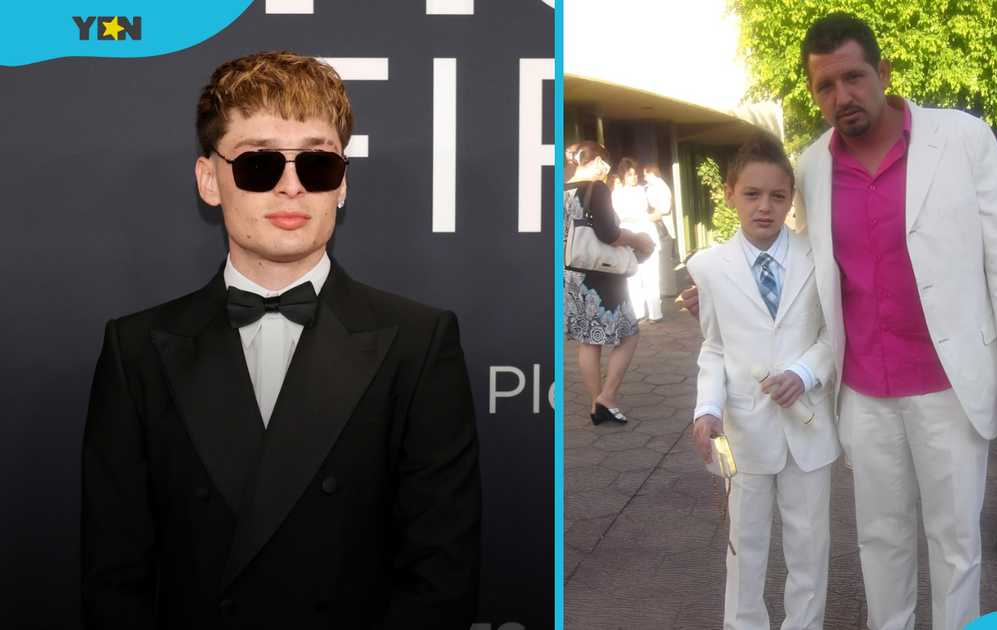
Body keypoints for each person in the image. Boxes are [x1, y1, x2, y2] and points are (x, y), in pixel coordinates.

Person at [81, 51, 481, 629]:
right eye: (258, 164)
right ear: (209, 180)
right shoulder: (136, 349)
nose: (292, 187)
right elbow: (115, 576)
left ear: (340, 185)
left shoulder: (420, 343)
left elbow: (441, 574)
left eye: (317, 165)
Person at [681, 14, 997, 630]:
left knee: (955, 542)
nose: (840, 97)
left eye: (853, 78)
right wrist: (722, 289)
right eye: (824, 86)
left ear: (883, 72)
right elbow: (800, 265)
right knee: (880, 540)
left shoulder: (962, 139)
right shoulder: (813, 167)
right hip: (863, 391)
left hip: (948, 383)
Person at [689, 130, 840, 630]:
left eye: (778, 196)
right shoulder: (708, 267)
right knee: (745, 546)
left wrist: (805, 372)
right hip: (746, 431)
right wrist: (706, 408)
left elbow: (830, 337)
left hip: (808, 428)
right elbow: (714, 346)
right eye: (752, 194)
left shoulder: (818, 258)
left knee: (809, 547)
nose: (764, 207)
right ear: (730, 192)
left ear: (791, 199)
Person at [564, 141, 655, 424]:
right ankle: (608, 396)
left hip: (572, 273)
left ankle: (597, 404)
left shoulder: (561, 189)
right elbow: (609, 234)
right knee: (629, 333)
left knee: (588, 342)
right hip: (601, 274)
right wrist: (638, 239)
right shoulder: (596, 188)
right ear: (599, 162)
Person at [613, 157, 663, 322]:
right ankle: (638, 312)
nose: (633, 178)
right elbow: (620, 216)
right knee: (633, 276)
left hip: (647, 233)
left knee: (652, 275)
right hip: (629, 235)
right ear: (623, 176)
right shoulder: (617, 193)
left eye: (635, 174)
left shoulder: (644, 190)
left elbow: (660, 206)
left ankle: (656, 313)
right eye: (629, 174)